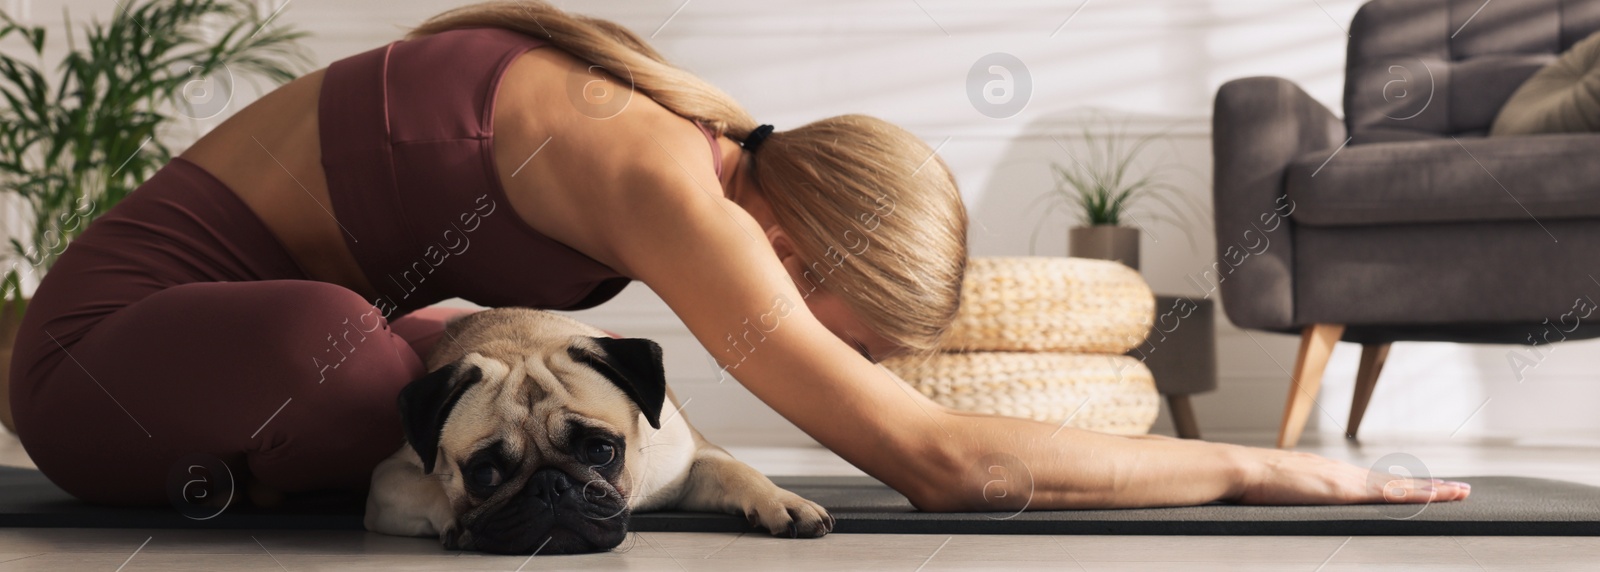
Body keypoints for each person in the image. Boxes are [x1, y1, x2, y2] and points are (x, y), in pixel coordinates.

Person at [7, 0, 1468, 510]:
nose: (835, 362)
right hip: (99, 366)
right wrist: (1258, 463)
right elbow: (937, 462)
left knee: (452, 374)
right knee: (348, 361)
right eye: (846, 333)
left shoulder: (687, 149)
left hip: (215, 368)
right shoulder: (664, 175)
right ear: (799, 244)